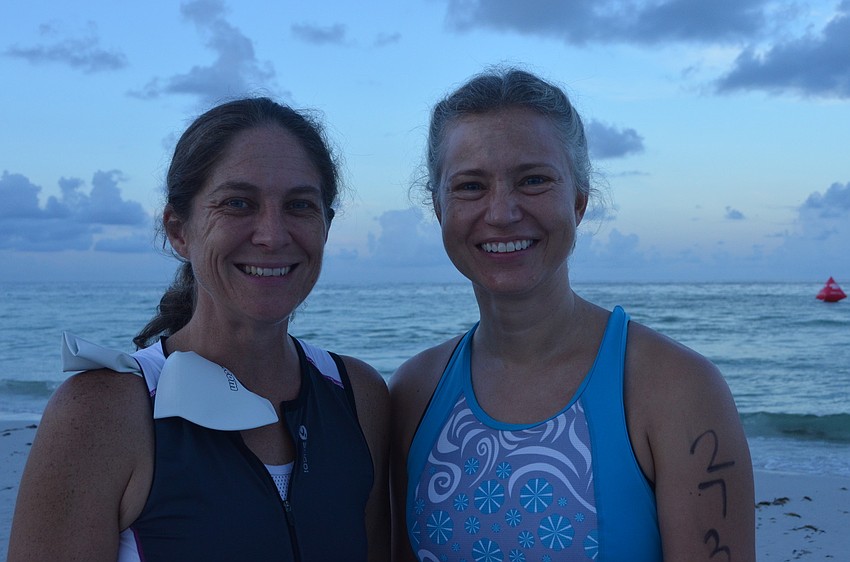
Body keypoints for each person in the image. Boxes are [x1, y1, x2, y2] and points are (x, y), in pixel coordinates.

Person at [390, 68, 755, 561]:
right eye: (471, 186)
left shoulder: (676, 389)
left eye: (534, 180)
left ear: (579, 201)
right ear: (439, 209)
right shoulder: (415, 391)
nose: (501, 212)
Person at [9, 98, 390, 561]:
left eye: (299, 205)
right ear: (178, 230)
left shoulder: (357, 395)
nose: (272, 234)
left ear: (326, 226)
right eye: (237, 203)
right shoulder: (102, 412)